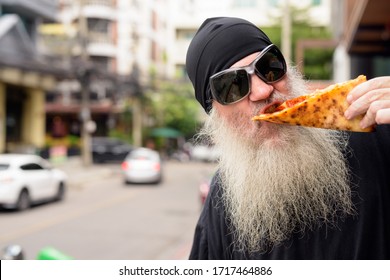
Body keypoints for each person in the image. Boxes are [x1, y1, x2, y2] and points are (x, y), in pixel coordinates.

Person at [185, 17, 390, 259]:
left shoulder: (373, 133)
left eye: (269, 66)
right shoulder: (223, 200)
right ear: (215, 114)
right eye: (233, 86)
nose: (263, 90)